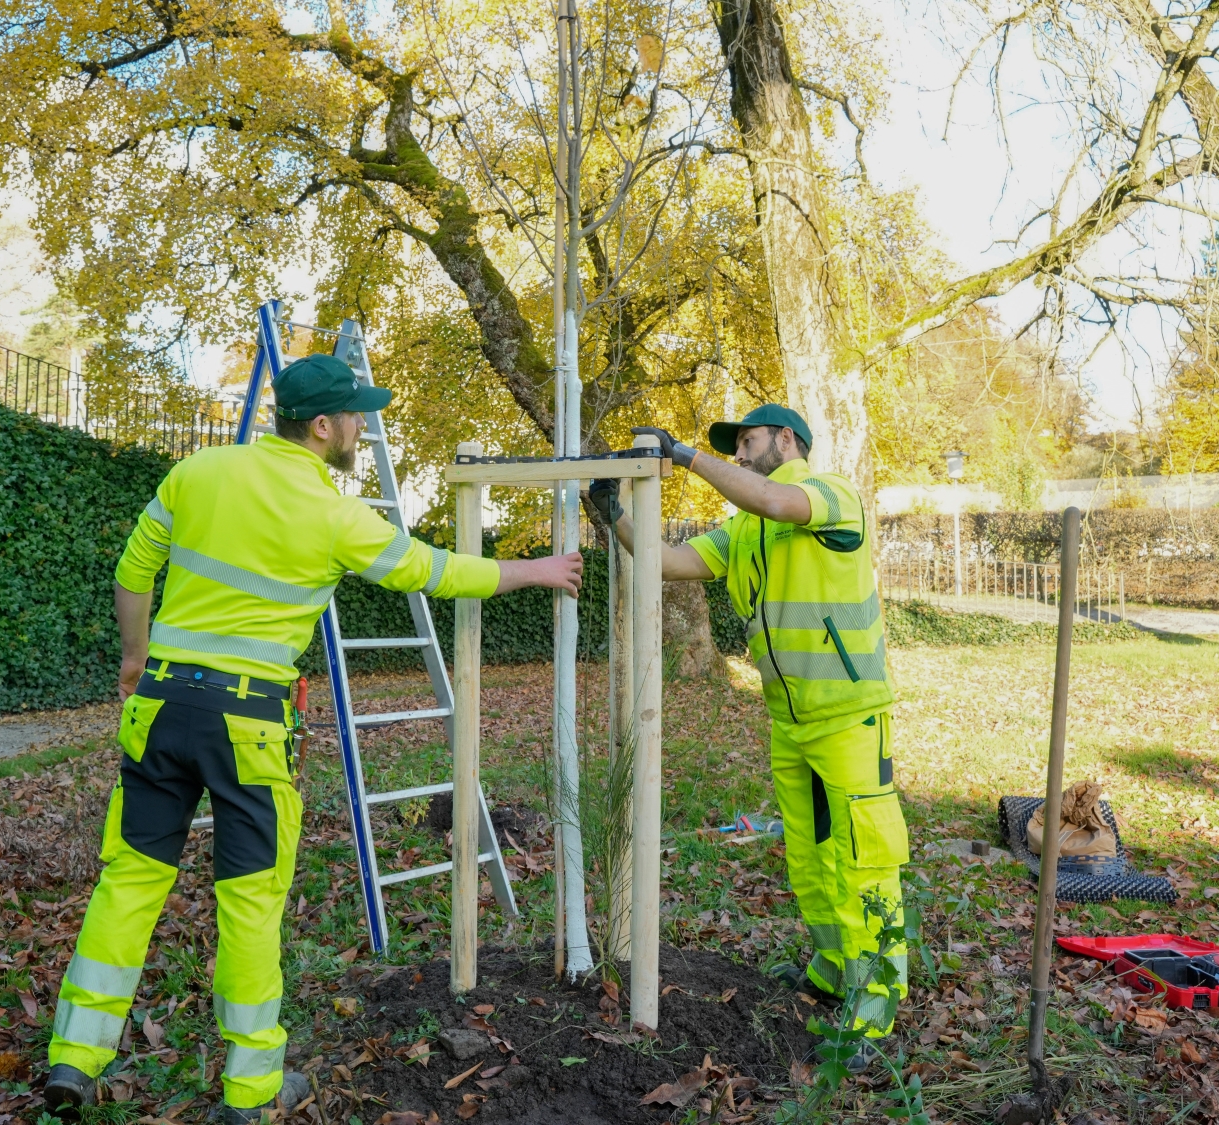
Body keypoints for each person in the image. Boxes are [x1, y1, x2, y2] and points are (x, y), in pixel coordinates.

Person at [44, 353, 584, 1124]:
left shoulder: (198, 473)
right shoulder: (335, 515)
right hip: (247, 726)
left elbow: (134, 570)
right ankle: (250, 1094)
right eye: (356, 415)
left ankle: (74, 1057)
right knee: (251, 903)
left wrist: (135, 659)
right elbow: (432, 571)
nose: (363, 427)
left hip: (158, 708)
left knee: (129, 880)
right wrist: (536, 569)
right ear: (323, 425)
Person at [591, 406, 906, 1040]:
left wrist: (683, 455)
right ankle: (831, 969)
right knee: (811, 857)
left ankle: (874, 1005)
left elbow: (771, 498)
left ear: (788, 439)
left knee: (864, 859)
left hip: (848, 718)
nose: (739, 452)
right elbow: (666, 562)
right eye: (733, 446)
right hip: (790, 722)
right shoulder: (744, 532)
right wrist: (613, 517)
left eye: (748, 440)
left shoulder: (828, 495)